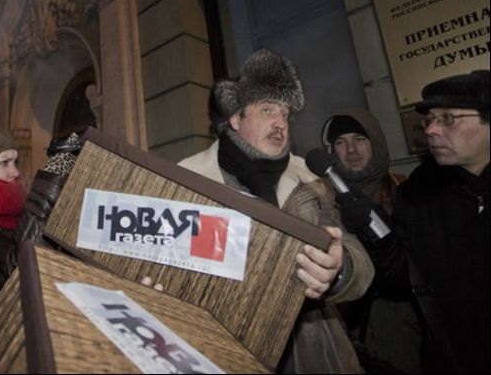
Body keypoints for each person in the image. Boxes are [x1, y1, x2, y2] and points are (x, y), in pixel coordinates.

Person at [179, 49, 374, 373]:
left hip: (311, 352)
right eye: (267, 109)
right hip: (225, 347)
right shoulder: (190, 178)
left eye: (285, 113)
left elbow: (356, 257)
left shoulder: (308, 178)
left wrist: (338, 270)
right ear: (236, 118)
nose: (280, 123)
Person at [379, 70, 489, 373]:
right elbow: (401, 284)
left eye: (448, 118)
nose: (430, 129)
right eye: (429, 120)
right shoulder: (418, 196)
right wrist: (379, 241)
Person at [321, 108, 422, 373]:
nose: (351, 149)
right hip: (350, 330)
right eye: (340, 142)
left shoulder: (404, 191)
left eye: (359, 139)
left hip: (406, 327)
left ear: (375, 142)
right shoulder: (323, 201)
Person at [0, 122, 81, 318]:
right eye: (4, 163)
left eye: (15, 162)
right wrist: (53, 174)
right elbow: (21, 267)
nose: (15, 171)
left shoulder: (20, 210)